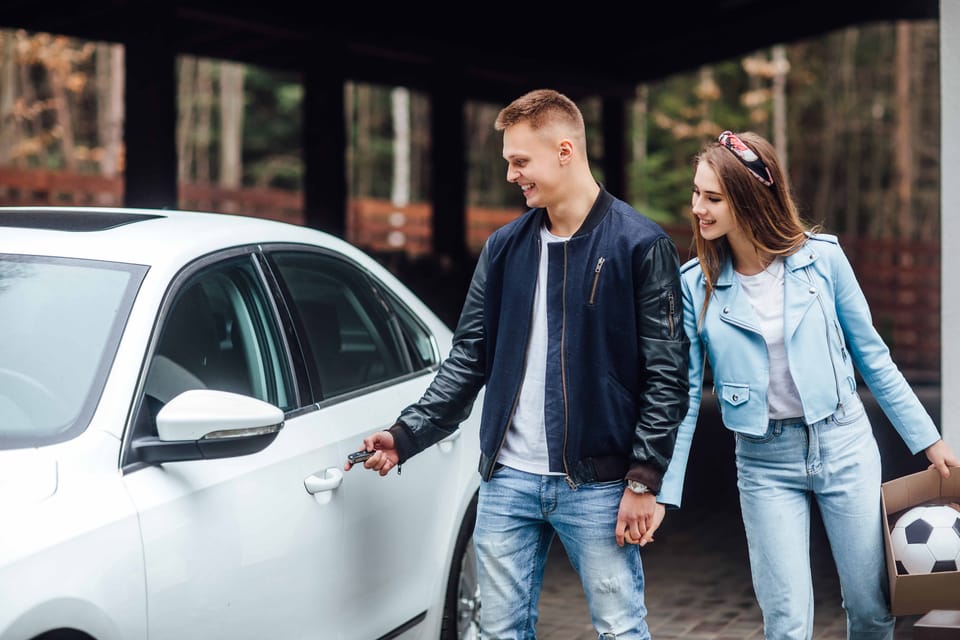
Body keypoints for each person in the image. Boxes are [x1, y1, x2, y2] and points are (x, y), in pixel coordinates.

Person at [345, 88, 689, 639]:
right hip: (507, 481)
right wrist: (409, 434)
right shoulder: (505, 248)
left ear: (565, 151)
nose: (512, 175)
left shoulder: (640, 245)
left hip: (599, 484)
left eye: (520, 161)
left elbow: (668, 375)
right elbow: (468, 358)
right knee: (499, 633)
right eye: (509, 162)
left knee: (621, 629)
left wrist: (644, 480)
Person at [657, 129, 959, 639]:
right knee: (787, 622)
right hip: (762, 462)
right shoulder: (694, 285)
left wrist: (929, 443)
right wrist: (662, 489)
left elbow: (874, 358)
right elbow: (686, 395)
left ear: (750, 199)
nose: (697, 209)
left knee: (870, 609)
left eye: (712, 198)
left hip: (843, 444)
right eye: (695, 193)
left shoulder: (823, 259)